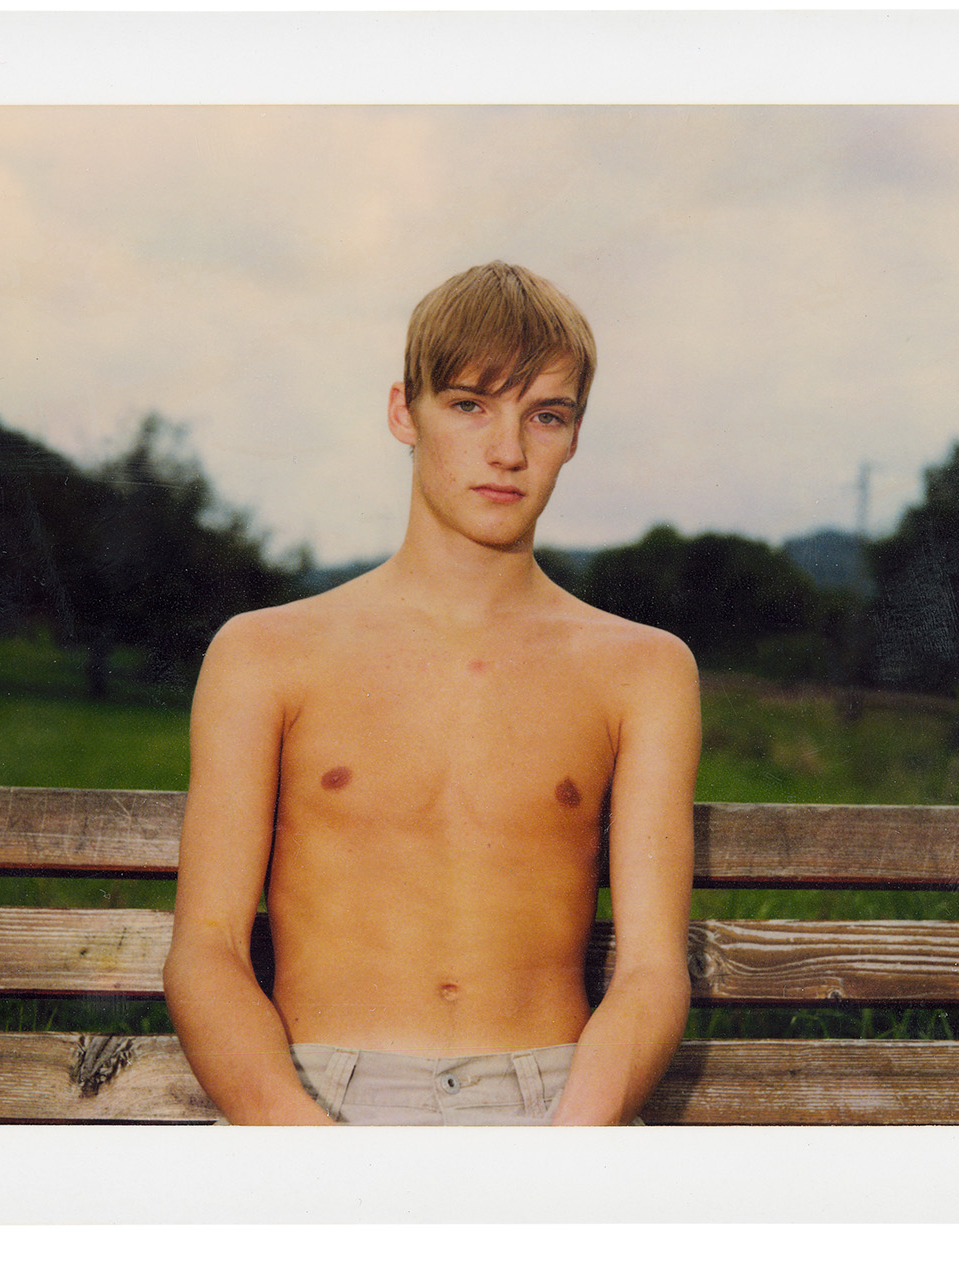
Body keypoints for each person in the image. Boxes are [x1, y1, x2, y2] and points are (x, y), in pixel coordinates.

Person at [162, 261, 700, 1125]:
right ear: (401, 412)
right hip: (312, 1094)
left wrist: (570, 1146)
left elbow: (648, 969)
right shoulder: (265, 653)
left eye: (545, 416)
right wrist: (301, 1142)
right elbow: (209, 949)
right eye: (468, 404)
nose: (507, 450)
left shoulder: (641, 669)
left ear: (574, 435)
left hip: (559, 1098)